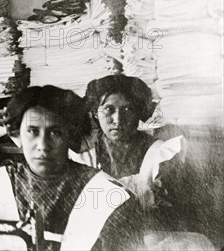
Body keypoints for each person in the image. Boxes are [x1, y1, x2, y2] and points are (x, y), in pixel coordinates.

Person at [0, 86, 143, 251]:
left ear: (70, 136)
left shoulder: (108, 198)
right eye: (32, 132)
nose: (42, 145)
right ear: (17, 135)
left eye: (55, 132)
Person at [70, 75, 182, 205]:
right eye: (108, 109)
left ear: (139, 112)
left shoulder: (159, 153)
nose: (117, 120)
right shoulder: (83, 154)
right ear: (95, 112)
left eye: (128, 109)